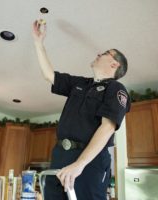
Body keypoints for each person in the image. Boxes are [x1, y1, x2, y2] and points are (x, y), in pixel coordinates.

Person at [32, 19, 131, 200]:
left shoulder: (116, 88)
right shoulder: (81, 84)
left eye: (106, 53)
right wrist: (38, 43)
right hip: (60, 156)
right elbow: (49, 75)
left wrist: (80, 164)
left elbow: (107, 127)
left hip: (89, 162)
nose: (99, 53)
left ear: (115, 64)